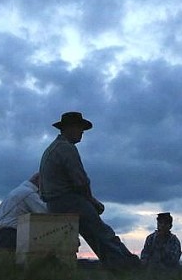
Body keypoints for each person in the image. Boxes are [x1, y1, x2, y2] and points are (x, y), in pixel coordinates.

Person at [38, 111, 139, 269]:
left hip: (55, 204)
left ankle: (118, 266)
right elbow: (80, 182)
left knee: (94, 236)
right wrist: (92, 201)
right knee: (103, 234)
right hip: (68, 201)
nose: (82, 132)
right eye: (80, 128)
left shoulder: (54, 148)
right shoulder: (66, 148)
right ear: (69, 128)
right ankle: (129, 266)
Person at [0, 173, 48, 251]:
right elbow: (46, 213)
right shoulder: (29, 193)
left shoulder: (19, 191)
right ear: (39, 181)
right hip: (10, 234)